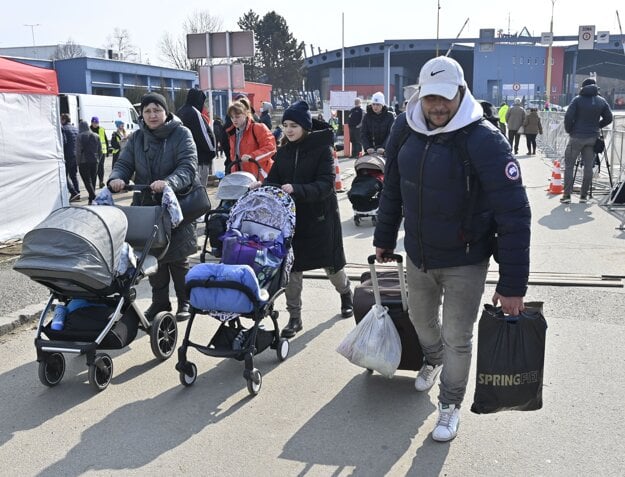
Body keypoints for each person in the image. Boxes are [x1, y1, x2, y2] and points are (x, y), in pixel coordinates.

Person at [373, 56, 531, 442]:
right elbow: (393, 185)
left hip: (465, 260)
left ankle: (450, 405)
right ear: (420, 97)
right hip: (418, 253)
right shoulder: (404, 128)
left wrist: (513, 285)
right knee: (421, 320)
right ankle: (433, 360)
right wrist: (384, 235)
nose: (438, 106)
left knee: (458, 336)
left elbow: (514, 214)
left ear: (462, 93)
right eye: (430, 98)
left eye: (445, 97)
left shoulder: (484, 139)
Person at [252, 100, 353, 338]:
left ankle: (346, 292)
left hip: (319, 218)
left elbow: (326, 185)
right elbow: (275, 179)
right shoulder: (284, 151)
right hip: (291, 220)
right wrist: (263, 185)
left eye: (294, 125)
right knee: (292, 269)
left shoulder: (322, 150)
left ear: (305, 127)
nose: (288, 129)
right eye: (285, 124)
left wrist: (296, 189)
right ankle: (294, 317)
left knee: (332, 266)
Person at [108, 92, 199, 322]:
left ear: (166, 112)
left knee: (178, 257)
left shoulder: (181, 134)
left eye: (157, 110)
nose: (152, 115)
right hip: (145, 208)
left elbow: (188, 167)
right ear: (142, 115)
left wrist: (169, 183)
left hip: (175, 207)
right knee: (151, 256)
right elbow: (124, 164)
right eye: (147, 111)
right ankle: (160, 302)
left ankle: (185, 300)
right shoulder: (137, 138)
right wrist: (116, 179)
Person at [560, 77, 613, 204]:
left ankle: (567, 195)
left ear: (582, 88)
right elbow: (609, 118)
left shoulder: (577, 100)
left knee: (569, 166)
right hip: (592, 138)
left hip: (576, 137)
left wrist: (569, 130)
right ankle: (583, 196)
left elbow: (568, 117)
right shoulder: (601, 101)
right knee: (588, 167)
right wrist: (598, 125)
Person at [226, 99, 276, 179]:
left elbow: (271, 148)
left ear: (245, 114)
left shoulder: (258, 128)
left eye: (237, 116)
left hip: (261, 177)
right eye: (232, 117)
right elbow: (235, 159)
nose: (234, 120)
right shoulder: (233, 134)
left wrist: (252, 156)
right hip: (243, 179)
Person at [176, 88, 217, 187]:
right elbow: (204, 134)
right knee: (199, 192)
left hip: (183, 160)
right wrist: (212, 151)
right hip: (200, 160)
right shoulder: (194, 113)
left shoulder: (180, 112)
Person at [75, 120, 101, 205]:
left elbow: (78, 151)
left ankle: (93, 197)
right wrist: (98, 159)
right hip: (94, 161)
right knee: (93, 180)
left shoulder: (79, 136)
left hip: (84, 161)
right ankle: (91, 199)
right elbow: (100, 150)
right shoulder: (96, 135)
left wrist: (77, 162)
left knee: (87, 181)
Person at [60, 113, 81, 202]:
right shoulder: (75, 128)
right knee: (74, 175)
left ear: (64, 120)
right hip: (76, 155)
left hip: (67, 156)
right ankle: (77, 193)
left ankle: (73, 192)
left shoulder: (63, 129)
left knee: (64, 176)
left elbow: (63, 142)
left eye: (61, 119)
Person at [90, 117, 110, 188]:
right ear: (91, 123)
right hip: (93, 152)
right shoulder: (89, 130)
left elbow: (106, 140)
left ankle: (101, 181)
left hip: (102, 151)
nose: (96, 124)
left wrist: (107, 150)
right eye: (94, 123)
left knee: (101, 167)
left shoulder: (101, 129)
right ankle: (93, 182)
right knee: (94, 167)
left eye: (97, 123)